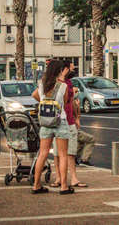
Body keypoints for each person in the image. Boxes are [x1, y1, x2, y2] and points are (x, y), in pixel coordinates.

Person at [31, 60, 74, 195]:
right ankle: (63, 186)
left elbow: (34, 95)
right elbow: (66, 101)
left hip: (45, 120)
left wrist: (44, 102)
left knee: (43, 154)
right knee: (62, 154)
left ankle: (36, 185)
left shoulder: (42, 85)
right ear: (59, 71)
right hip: (60, 120)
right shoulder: (63, 86)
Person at [51, 60, 88, 188]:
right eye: (71, 68)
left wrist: (77, 116)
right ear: (64, 69)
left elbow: (72, 101)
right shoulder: (56, 83)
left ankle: (73, 178)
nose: (73, 70)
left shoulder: (69, 83)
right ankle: (59, 178)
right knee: (57, 153)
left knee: (71, 152)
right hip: (58, 121)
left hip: (70, 121)